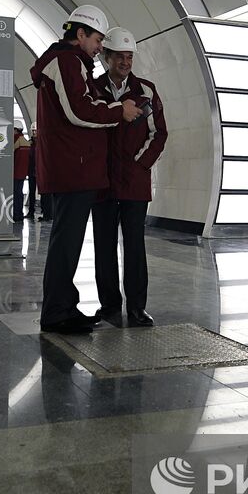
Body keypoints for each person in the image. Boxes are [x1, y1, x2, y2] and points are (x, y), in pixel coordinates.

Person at [31, 4, 142, 333]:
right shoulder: (65, 61)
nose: (98, 47)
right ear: (80, 35)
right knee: (66, 243)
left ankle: (65, 306)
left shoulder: (73, 62)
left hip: (75, 167)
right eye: (96, 40)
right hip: (72, 168)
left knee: (69, 242)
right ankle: (56, 313)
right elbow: (78, 110)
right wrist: (118, 110)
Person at [91, 27, 168, 327]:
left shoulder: (146, 90)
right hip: (101, 183)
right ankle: (109, 306)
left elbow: (159, 133)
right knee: (104, 246)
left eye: (129, 57)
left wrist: (141, 164)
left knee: (135, 246)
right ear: (106, 57)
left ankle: (137, 307)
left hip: (135, 182)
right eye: (119, 57)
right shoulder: (92, 89)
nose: (125, 62)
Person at [12, 125, 31, 219]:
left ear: (16, 130)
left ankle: (15, 214)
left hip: (15, 172)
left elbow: (10, 154)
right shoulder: (26, 142)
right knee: (19, 193)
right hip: (23, 173)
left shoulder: (16, 141)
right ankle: (19, 214)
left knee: (15, 193)